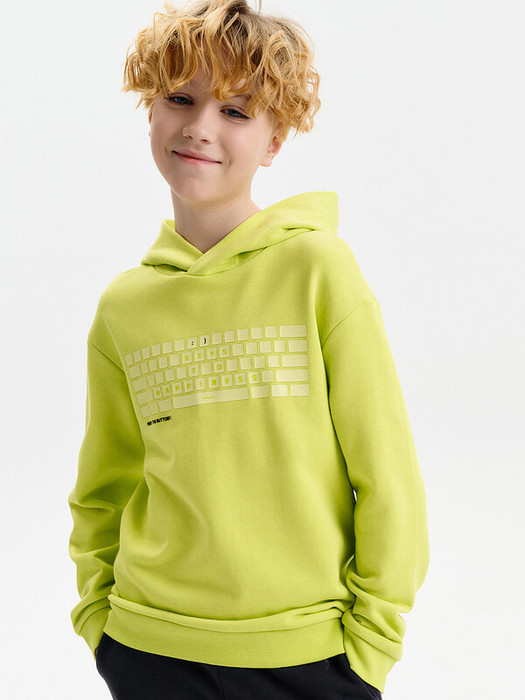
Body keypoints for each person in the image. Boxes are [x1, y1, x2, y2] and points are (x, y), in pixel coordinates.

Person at [67, 0, 430, 698]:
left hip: (310, 656)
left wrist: (371, 646)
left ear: (273, 144)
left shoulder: (318, 270)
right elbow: (102, 489)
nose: (200, 126)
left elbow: (387, 476)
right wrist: (100, 624)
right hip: (149, 647)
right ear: (151, 111)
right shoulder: (124, 308)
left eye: (235, 111)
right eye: (180, 99)